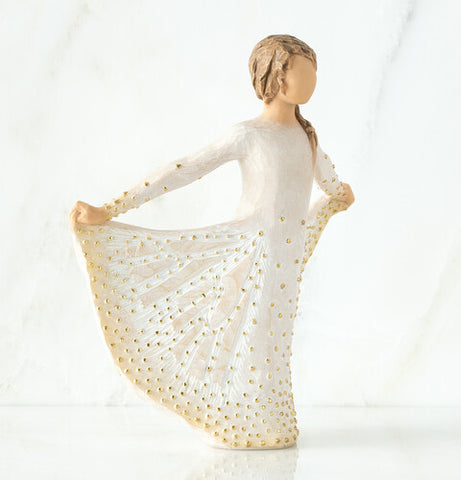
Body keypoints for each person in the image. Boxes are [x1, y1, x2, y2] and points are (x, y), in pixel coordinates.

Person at [69, 33, 354, 450]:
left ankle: (268, 422)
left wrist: (341, 194)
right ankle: (234, 421)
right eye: (301, 70)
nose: (311, 79)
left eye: (314, 71)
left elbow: (327, 178)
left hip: (286, 259)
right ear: (275, 77)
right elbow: (184, 169)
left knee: (274, 340)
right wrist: (110, 209)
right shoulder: (248, 135)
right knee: (238, 336)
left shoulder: (306, 138)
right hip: (248, 253)